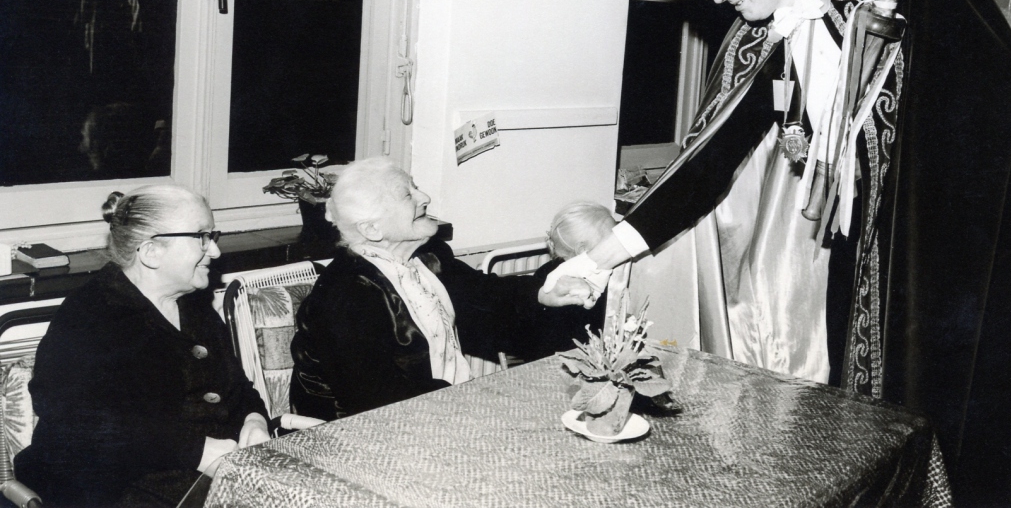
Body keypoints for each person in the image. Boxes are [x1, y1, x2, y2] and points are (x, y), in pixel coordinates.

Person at [541, 0, 1011, 505]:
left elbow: (997, 111)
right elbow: (703, 166)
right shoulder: (757, 36)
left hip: (945, 258)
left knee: (944, 416)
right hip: (854, 260)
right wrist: (594, 262)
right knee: (862, 419)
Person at [14, 185, 270, 507]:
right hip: (109, 490)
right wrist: (196, 451)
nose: (215, 251)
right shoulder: (90, 316)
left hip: (192, 478)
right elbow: (77, 425)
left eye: (212, 235)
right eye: (202, 237)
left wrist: (254, 420)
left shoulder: (194, 306)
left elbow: (236, 388)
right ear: (151, 252)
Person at [289, 158, 568, 421]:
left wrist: (545, 292)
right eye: (407, 195)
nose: (425, 197)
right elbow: (376, 398)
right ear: (372, 229)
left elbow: (485, 293)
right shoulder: (346, 294)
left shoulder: (427, 257)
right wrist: (475, 404)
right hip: (359, 430)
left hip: (439, 408)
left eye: (416, 187)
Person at [529, 202, 615, 358]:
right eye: (610, 242)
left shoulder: (546, 270)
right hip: (562, 359)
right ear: (583, 251)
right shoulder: (571, 286)